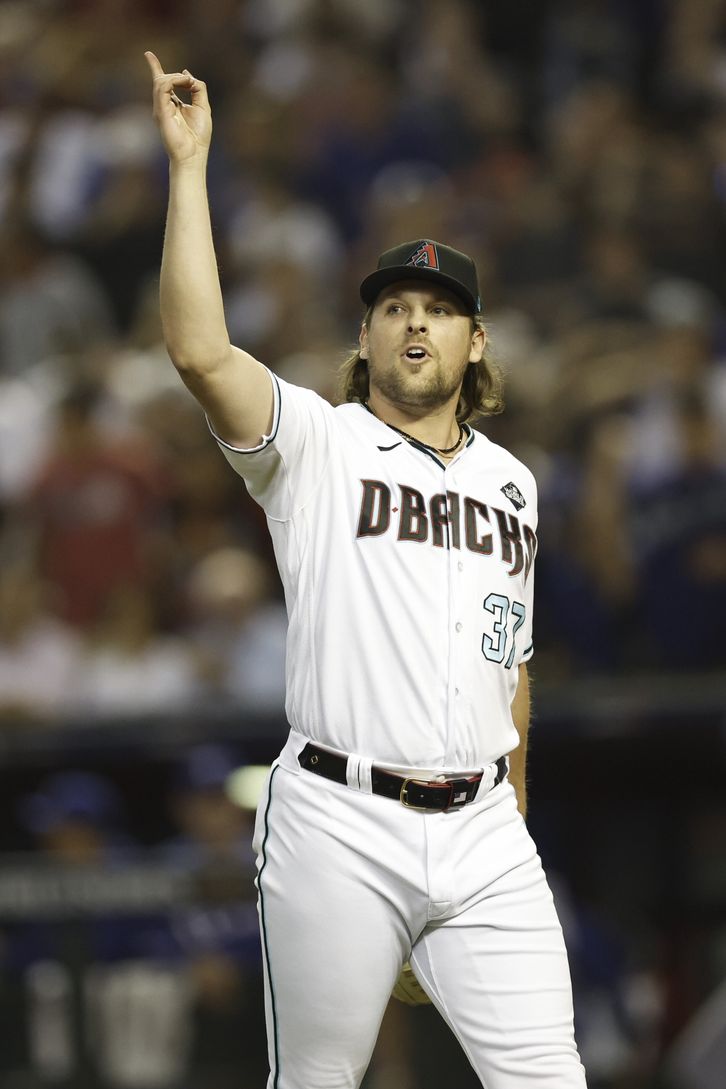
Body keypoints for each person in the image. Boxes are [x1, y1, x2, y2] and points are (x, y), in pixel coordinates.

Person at [145, 52, 588, 1089]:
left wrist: (509, 809)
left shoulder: (517, 483)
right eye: (395, 306)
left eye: (437, 307)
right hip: (339, 822)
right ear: (366, 334)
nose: (415, 320)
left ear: (476, 343)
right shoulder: (319, 442)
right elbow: (202, 353)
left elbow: (508, 659)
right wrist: (189, 170)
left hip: (485, 828)